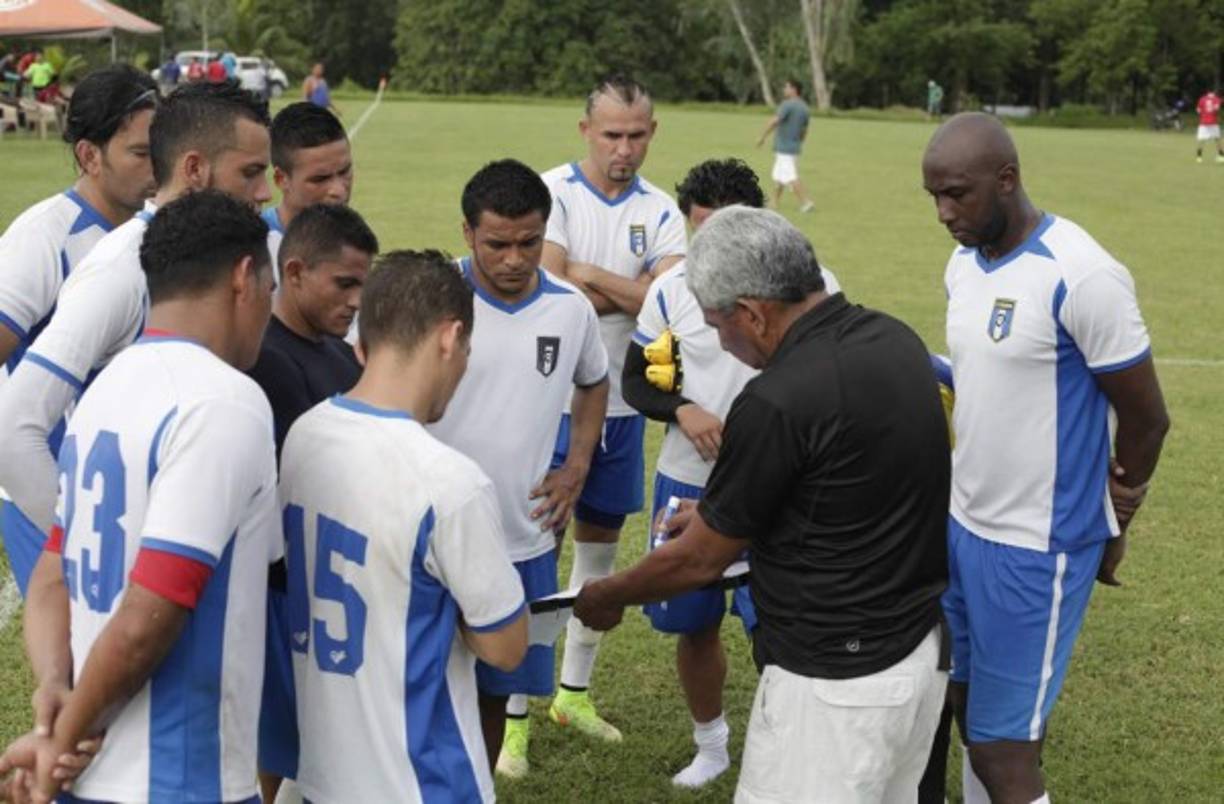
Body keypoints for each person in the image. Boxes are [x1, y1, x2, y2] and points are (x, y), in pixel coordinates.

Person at [575, 206, 952, 802]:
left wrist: (607, 594)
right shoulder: (896, 340)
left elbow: (697, 561)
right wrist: (722, 512)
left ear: (751, 313)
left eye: (716, 326)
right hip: (920, 653)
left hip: (833, 685)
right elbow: (843, 481)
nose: (722, 345)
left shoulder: (775, 398)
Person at [922, 112, 1170, 804]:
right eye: (934, 197)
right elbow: (991, 381)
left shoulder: (1082, 274)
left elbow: (1148, 418)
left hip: (1039, 546)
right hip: (962, 526)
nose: (944, 213)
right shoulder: (963, 264)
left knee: (1004, 750)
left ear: (1007, 180)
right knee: (966, 703)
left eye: (957, 194)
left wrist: (1118, 510)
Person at [0, 189, 279, 803]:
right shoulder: (223, 402)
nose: (269, 308)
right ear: (243, 277)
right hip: (180, 781)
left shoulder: (104, 390)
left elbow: (51, 575)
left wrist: (54, 691)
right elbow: (147, 619)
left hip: (89, 779)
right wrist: (62, 740)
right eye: (270, 287)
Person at [621, 158, 842, 789]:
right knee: (692, 623)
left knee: (778, 623)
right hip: (688, 479)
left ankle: (789, 745)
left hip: (782, 486)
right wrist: (681, 408)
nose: (712, 245)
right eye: (701, 230)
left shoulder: (812, 284)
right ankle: (711, 745)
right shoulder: (671, 290)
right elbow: (637, 380)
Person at [0, 80, 272, 587]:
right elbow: (12, 427)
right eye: (250, 173)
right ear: (195, 169)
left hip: (174, 527)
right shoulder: (120, 268)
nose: (265, 192)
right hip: (116, 539)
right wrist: (88, 540)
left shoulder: (224, 253)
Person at [280, 250, 528, 804]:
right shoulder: (450, 481)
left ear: (363, 343)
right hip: (421, 781)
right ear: (451, 337)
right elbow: (507, 648)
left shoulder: (304, 434)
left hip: (322, 773)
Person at [429, 160, 609, 779]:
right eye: (496, 244)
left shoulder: (571, 309)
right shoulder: (430, 299)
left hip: (520, 535)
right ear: (467, 232)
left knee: (496, 687)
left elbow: (594, 381)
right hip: (428, 537)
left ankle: (477, 789)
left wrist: (577, 464)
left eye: (529, 243)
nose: (513, 259)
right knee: (419, 684)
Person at [538, 73, 686, 749]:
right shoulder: (552, 192)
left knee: (597, 553)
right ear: (585, 132)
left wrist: (589, 275)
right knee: (537, 551)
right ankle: (515, 713)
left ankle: (572, 693)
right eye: (611, 136)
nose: (623, 149)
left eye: (635, 136)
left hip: (622, 409)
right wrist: (632, 287)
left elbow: (665, 301)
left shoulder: (663, 210)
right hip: (548, 406)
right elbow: (547, 285)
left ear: (652, 133)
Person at [0, 64, 158, 597]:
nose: (156, 166)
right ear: (90, 156)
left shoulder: (155, 233)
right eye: (140, 153)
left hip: (117, 486)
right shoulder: (44, 237)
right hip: (48, 487)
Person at [245, 203, 376, 802]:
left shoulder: (339, 354)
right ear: (294, 272)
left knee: (321, 741)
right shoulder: (266, 361)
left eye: (363, 285)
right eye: (344, 283)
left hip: (334, 577)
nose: (355, 301)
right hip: (282, 590)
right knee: (281, 740)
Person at [264, 102, 355, 271]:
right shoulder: (257, 246)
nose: (339, 191)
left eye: (345, 171)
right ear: (281, 179)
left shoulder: (354, 239)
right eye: (320, 179)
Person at [755, 79, 814, 212]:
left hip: (784, 149)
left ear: (794, 89)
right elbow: (804, 130)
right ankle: (773, 204)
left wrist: (762, 137)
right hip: (793, 148)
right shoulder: (805, 108)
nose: (784, 90)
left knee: (790, 176)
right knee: (779, 177)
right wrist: (798, 143)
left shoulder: (787, 105)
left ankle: (806, 203)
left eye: (787, 87)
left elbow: (774, 121)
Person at [1195, 88, 1222, 163]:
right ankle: (1221, 156)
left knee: (1201, 139)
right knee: (1217, 139)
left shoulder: (1202, 99)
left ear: (1207, 92)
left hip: (1203, 123)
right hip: (1213, 122)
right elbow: (1217, 109)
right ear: (1214, 92)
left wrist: (1203, 114)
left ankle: (1199, 157)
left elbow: (1198, 110)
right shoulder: (1217, 99)